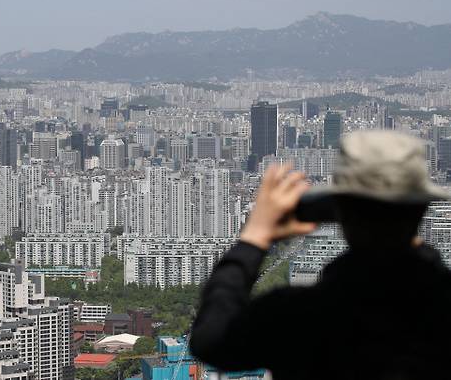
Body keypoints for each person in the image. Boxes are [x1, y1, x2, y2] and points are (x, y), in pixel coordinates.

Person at [189, 131, 451, 379]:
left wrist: (255, 237)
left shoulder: (300, 317)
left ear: (338, 211)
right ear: (422, 208)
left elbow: (210, 340)